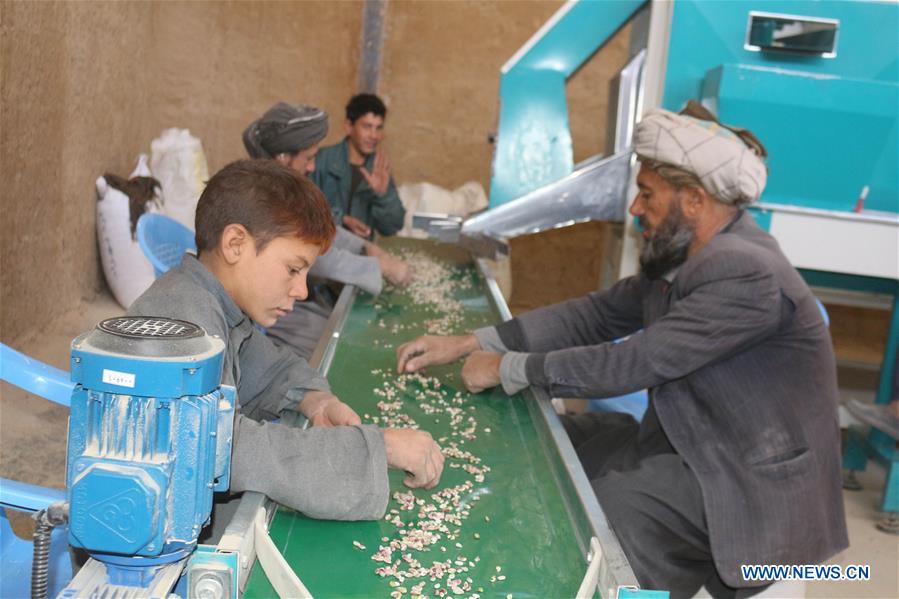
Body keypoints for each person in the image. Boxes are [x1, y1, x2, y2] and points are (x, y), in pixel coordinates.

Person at [395, 104, 847, 597]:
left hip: (745, 482)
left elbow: (634, 361)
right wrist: (472, 341)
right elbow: (595, 315)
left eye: (647, 193)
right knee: (561, 444)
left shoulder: (743, 270)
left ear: (694, 200)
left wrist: (508, 368)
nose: (635, 208)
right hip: (692, 441)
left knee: (618, 511)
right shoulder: (692, 255)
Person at [129, 159, 443, 521]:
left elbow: (270, 368)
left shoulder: (218, 304)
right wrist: (377, 449)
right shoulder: (181, 321)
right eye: (293, 269)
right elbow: (217, 448)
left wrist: (315, 401)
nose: (302, 289)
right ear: (235, 244)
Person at [242, 101, 411, 358]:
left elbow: (319, 228)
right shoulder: (265, 198)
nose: (311, 166)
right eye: (308, 158)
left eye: (379, 128)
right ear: (283, 158)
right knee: (342, 347)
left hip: (296, 298)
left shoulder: (284, 188)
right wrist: (381, 266)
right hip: (272, 308)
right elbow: (317, 257)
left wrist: (366, 247)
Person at [313, 93, 405, 238]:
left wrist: (383, 196)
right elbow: (302, 211)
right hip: (323, 251)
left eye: (379, 128)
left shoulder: (378, 169)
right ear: (349, 126)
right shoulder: (320, 161)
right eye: (367, 126)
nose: (374, 136)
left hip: (361, 255)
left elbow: (393, 227)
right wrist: (340, 219)